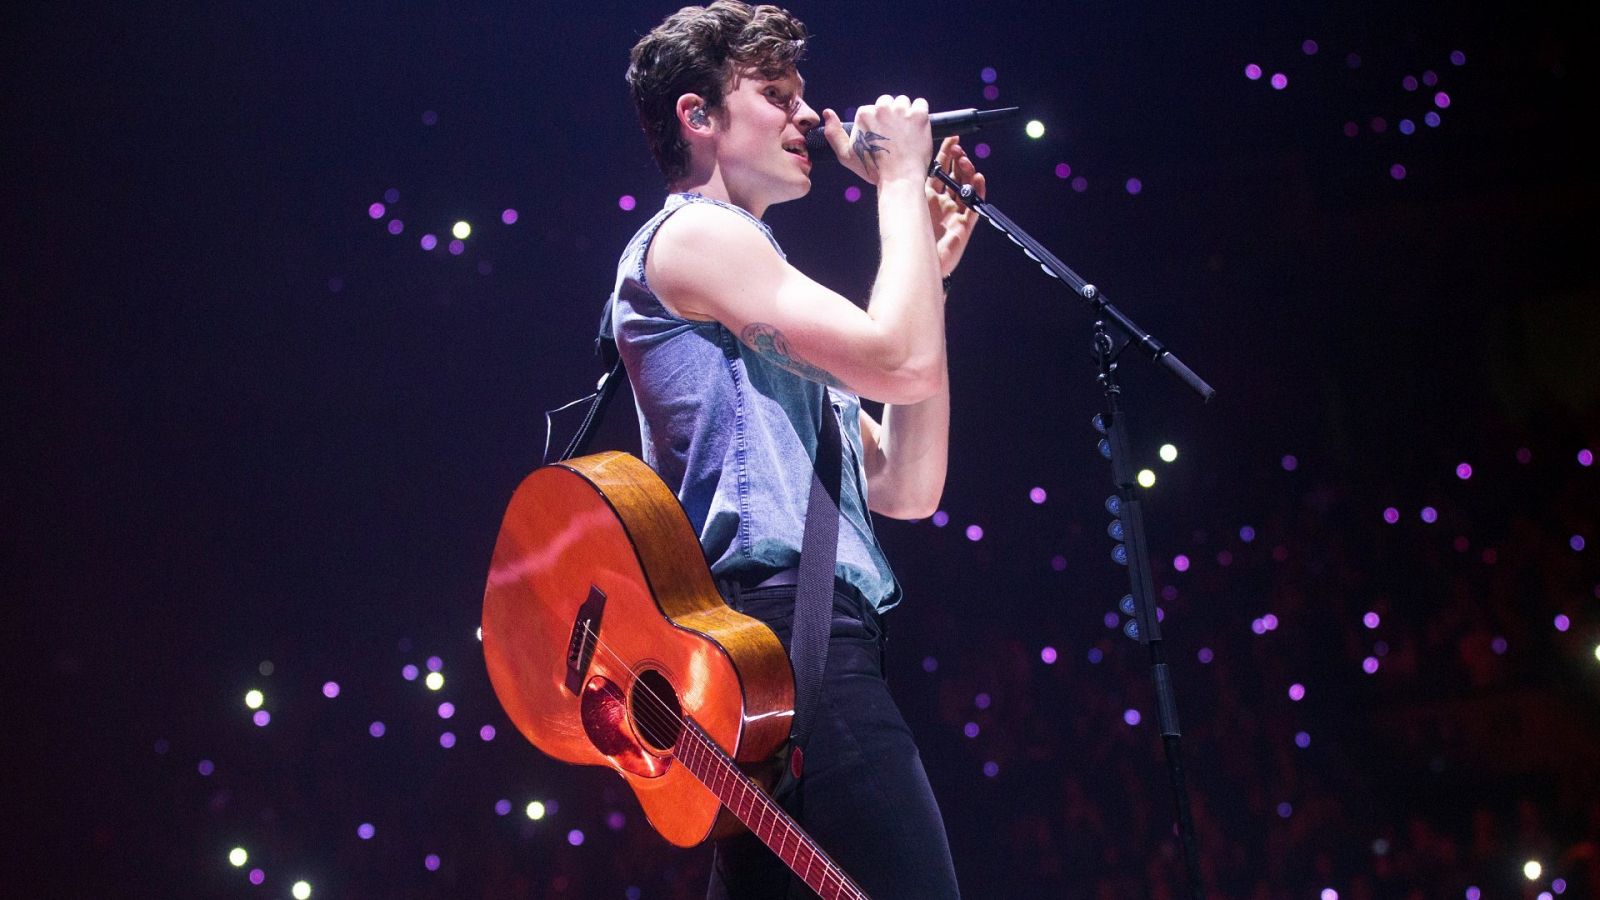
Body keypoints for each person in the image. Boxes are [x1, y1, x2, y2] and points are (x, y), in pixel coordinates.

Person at [609, 3, 984, 897]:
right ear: (698, 115)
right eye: (776, 95)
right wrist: (899, 182)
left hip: (788, 647)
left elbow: (906, 484)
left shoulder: (756, 286)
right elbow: (900, 360)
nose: (809, 117)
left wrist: (927, 276)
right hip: (781, 638)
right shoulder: (698, 236)